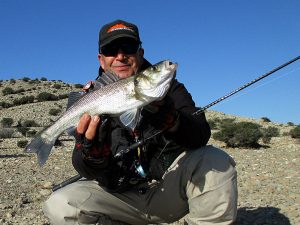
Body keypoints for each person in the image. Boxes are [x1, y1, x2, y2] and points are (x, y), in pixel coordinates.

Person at [43, 19, 238, 225]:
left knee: (215, 159)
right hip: (117, 196)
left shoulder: (169, 88)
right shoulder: (90, 97)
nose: (120, 56)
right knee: (60, 205)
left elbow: (200, 133)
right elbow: (82, 166)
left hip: (166, 190)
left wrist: (171, 119)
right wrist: (92, 154)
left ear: (140, 53)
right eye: (111, 50)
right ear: (101, 59)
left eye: (128, 47)